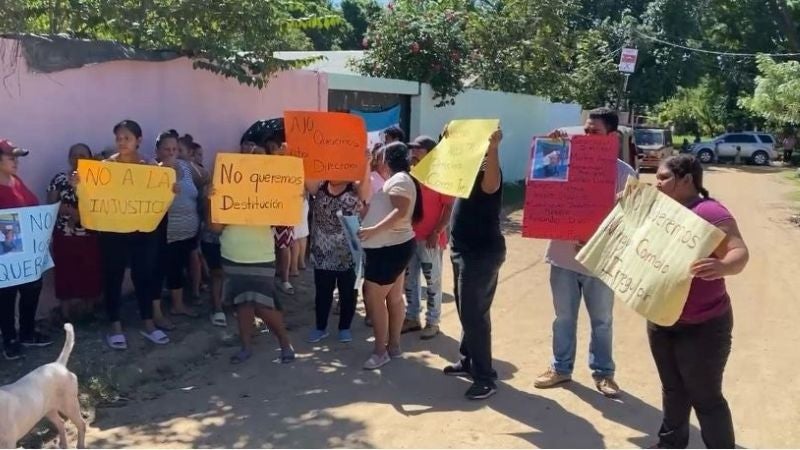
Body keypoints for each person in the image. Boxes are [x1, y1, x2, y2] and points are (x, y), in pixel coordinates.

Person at [534, 107, 637, 398]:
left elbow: (629, 221)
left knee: (602, 321)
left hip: (600, 262)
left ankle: (604, 374)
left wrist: (597, 240)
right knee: (563, 318)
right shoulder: (561, 159)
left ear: (612, 136)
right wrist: (550, 147)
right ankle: (561, 369)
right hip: (563, 258)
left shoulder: (624, 174)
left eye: (595, 131)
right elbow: (540, 184)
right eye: (586, 130)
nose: (588, 136)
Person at [648, 154, 749, 449]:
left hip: (704, 324)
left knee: (706, 397)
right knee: (673, 389)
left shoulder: (709, 211)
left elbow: (739, 252)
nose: (657, 183)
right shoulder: (658, 210)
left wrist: (723, 266)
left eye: (664, 177)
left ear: (687, 180)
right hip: (662, 317)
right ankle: (670, 444)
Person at [84, 120, 169, 350]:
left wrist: (171, 188)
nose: (122, 142)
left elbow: (162, 194)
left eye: (127, 138)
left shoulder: (152, 167)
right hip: (112, 232)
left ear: (138, 141)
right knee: (113, 276)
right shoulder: (105, 168)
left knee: (144, 275)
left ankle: (148, 323)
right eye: (118, 138)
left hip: (142, 231)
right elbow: (92, 193)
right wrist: (79, 184)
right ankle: (115, 326)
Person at [442, 128, 506, 400]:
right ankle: (468, 360)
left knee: (474, 314)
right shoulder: (462, 174)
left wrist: (492, 148)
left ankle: (485, 378)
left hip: (480, 254)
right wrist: (448, 138)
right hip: (462, 252)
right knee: (466, 310)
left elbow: (491, 185)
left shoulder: (487, 172)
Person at [358, 142, 421, 370]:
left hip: (389, 248)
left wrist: (372, 230)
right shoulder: (397, 180)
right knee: (394, 297)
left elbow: (400, 211)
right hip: (393, 246)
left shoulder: (400, 180)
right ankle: (393, 347)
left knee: (375, 299)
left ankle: (380, 351)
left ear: (387, 159)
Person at [208, 206, 295, 364]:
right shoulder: (224, 187)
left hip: (261, 255)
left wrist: (292, 195)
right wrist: (211, 201)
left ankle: (284, 342)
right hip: (232, 254)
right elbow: (215, 227)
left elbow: (282, 219)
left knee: (265, 305)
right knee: (242, 304)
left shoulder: (268, 186)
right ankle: (246, 347)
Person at [304, 160, 371, 344]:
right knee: (322, 293)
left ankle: (344, 327)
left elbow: (366, 193)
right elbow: (308, 178)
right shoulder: (320, 186)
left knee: (348, 293)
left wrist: (366, 163)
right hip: (322, 252)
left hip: (348, 253)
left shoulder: (355, 189)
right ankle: (320, 327)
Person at [0, 139, 53, 360]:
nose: (16, 162)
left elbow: (31, 206)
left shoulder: (16, 181)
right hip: (6, 252)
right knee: (6, 296)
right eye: (11, 157)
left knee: (32, 288)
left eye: (17, 158)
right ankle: (9, 339)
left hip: (27, 252)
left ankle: (27, 333)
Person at [402, 135, 453, 340]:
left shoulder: (441, 175)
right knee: (409, 280)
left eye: (418, 149)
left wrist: (437, 232)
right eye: (412, 149)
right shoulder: (410, 174)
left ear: (431, 152)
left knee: (433, 283)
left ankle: (433, 322)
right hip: (409, 237)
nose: (413, 153)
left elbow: (448, 208)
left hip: (430, 239)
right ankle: (412, 317)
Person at [47, 143, 102, 321]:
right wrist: (67, 211)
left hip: (89, 234)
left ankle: (89, 311)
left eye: (83, 154)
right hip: (65, 235)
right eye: (75, 155)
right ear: (69, 158)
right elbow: (51, 206)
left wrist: (78, 213)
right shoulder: (59, 179)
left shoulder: (97, 180)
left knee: (90, 272)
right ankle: (66, 314)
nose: (78, 158)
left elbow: (103, 206)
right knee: (65, 273)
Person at [153, 131, 201, 321]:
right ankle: (156, 313)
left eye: (175, 149)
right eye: (167, 149)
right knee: (160, 270)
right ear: (158, 151)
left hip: (187, 233)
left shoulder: (185, 167)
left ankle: (178, 306)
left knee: (178, 269)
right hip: (166, 234)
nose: (171, 152)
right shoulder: (154, 172)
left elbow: (201, 182)